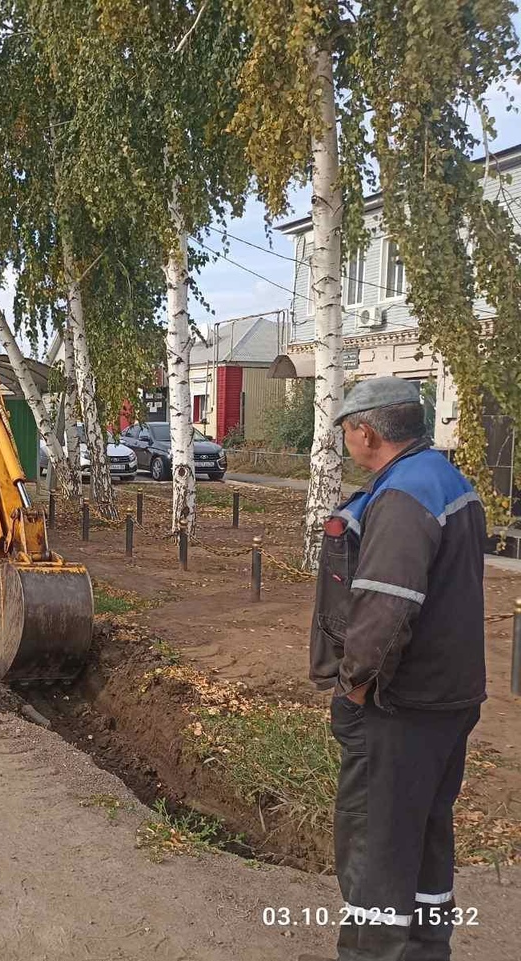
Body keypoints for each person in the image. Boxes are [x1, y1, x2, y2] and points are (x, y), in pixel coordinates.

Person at [303, 378, 486, 961]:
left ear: (368, 431)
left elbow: (386, 607)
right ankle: (427, 950)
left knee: (376, 841)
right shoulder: (448, 482)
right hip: (449, 698)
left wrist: (354, 688)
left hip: (401, 705)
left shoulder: (403, 496)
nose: (347, 443)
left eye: (347, 432)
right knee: (426, 831)